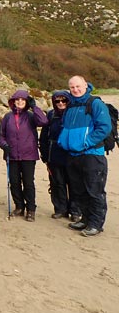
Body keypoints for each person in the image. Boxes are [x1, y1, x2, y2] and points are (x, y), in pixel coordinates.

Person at [58, 76, 111, 237]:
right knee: (79, 190)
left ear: (85, 85)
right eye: (72, 87)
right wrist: (63, 141)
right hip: (73, 155)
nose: (75, 89)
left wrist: (86, 142)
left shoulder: (95, 103)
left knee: (94, 190)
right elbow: (65, 127)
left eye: (78, 86)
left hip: (92, 155)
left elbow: (104, 127)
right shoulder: (71, 106)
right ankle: (85, 219)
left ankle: (96, 224)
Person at [0, 90, 48, 222]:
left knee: (28, 183)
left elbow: (43, 121)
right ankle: (19, 206)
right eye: (17, 99)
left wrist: (34, 107)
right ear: (13, 101)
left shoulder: (32, 116)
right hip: (12, 154)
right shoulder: (7, 117)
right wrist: (3, 144)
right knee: (14, 182)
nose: (20, 102)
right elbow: (1, 135)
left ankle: (31, 209)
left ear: (26, 102)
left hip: (28, 155)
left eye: (23, 100)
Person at [39, 91, 80, 220]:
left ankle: (75, 211)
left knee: (74, 184)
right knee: (57, 184)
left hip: (71, 155)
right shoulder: (51, 115)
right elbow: (44, 136)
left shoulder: (75, 114)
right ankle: (60, 209)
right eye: (57, 101)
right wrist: (44, 155)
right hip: (54, 155)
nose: (61, 103)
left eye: (64, 100)